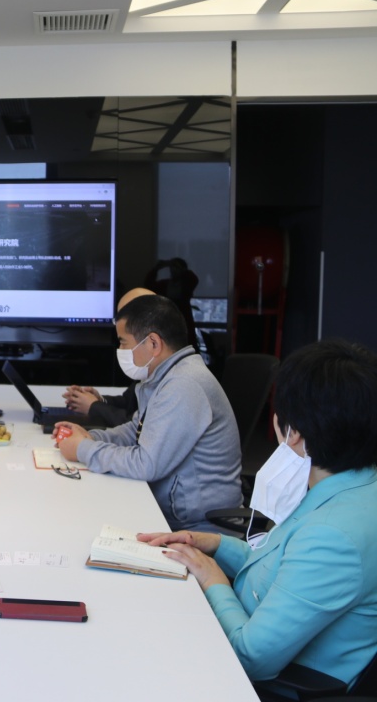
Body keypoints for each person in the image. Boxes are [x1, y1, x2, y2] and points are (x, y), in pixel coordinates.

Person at [139, 340, 377, 691]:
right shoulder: (350, 488)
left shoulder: (333, 534)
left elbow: (251, 658)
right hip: (255, 618)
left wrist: (212, 579)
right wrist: (215, 544)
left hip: (270, 683)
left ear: (293, 432)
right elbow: (281, 563)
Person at [55, 295, 242, 531]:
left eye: (123, 343)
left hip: (200, 528)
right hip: (175, 516)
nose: (120, 350)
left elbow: (146, 464)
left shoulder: (184, 384)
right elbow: (138, 430)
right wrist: (91, 437)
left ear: (153, 343)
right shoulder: (166, 377)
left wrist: (83, 449)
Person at [61, 287, 155, 427]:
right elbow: (127, 402)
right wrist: (99, 400)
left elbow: (138, 426)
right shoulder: (147, 368)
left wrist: (93, 406)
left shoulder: (172, 379)